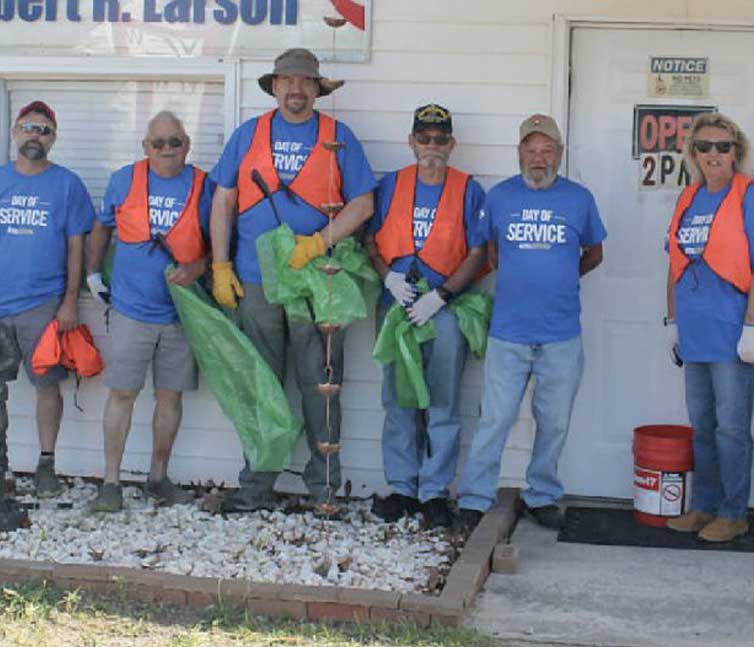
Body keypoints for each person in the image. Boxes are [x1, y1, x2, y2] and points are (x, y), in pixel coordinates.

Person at [208, 48, 377, 511]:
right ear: (275, 86)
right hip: (255, 280)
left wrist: (319, 242)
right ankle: (256, 488)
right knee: (260, 385)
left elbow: (363, 204)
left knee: (320, 384)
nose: (296, 89)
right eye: (287, 81)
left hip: (316, 281)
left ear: (318, 89)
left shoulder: (339, 138)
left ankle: (324, 491)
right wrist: (220, 266)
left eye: (305, 81)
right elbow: (223, 200)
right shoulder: (249, 134)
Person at [456, 114, 606, 530]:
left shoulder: (579, 199)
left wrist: (558, 277)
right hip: (509, 332)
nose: (539, 158)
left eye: (547, 150)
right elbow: (490, 252)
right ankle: (474, 497)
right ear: (519, 151)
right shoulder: (499, 197)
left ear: (559, 154)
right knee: (495, 418)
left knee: (554, 421)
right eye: (531, 149)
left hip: (561, 333)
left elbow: (594, 253)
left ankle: (541, 495)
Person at [661, 113, 754, 542]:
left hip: (734, 334)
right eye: (704, 147)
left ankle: (734, 513)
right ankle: (704, 506)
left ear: (737, 151)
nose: (713, 155)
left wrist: (753, 328)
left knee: (732, 429)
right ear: (693, 153)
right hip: (696, 335)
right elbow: (674, 265)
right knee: (703, 427)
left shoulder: (749, 197)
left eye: (723, 146)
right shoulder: (689, 198)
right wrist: (672, 322)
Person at [364, 104, 486, 527]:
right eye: (424, 138)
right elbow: (371, 244)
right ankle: (403, 488)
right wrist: (389, 280)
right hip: (397, 306)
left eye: (439, 139)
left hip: (444, 307)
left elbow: (477, 253)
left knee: (443, 400)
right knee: (398, 398)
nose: (431, 147)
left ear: (451, 145)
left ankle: (434, 493)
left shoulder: (469, 190)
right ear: (411, 142)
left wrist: (443, 294)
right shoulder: (390, 186)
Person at [84, 111, 212, 511]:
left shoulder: (204, 186)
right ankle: (110, 484)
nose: (167, 150)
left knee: (170, 397)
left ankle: (158, 477)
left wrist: (199, 268)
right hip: (130, 310)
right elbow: (102, 226)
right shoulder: (124, 179)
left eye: (175, 142)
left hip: (181, 315)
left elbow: (219, 240)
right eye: (158, 143)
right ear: (145, 147)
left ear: (187, 144)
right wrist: (92, 273)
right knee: (122, 394)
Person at [0, 101, 95, 498]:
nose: (34, 135)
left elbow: (77, 247)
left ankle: (46, 464)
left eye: (43, 129)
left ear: (53, 138)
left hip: (43, 305)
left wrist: (71, 300)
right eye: (27, 127)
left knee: (46, 387)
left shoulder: (67, 185)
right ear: (15, 132)